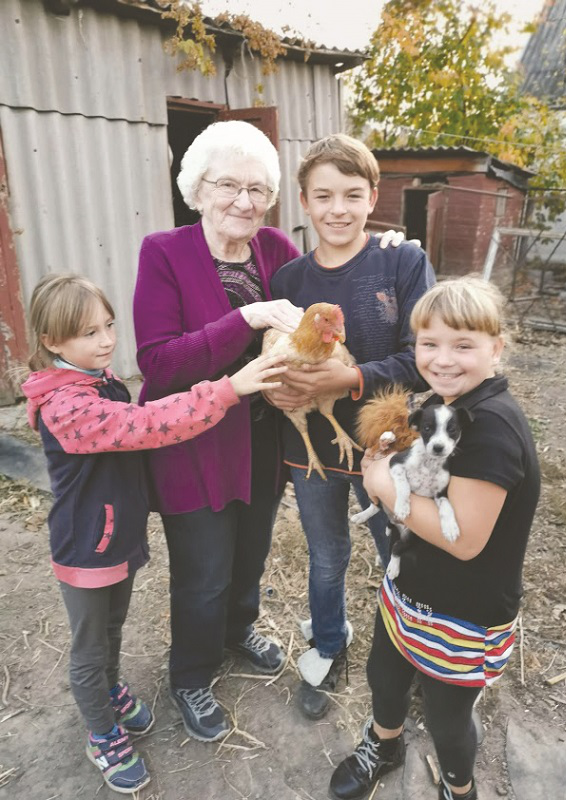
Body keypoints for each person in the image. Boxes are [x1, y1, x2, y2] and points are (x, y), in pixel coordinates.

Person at [133, 121, 407, 741]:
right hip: (194, 442)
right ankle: (192, 676)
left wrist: (388, 250)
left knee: (251, 553)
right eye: (227, 185)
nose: (244, 201)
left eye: (258, 188)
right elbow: (159, 362)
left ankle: (238, 630)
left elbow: (335, 268)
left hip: (260, 438)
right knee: (203, 569)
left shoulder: (276, 251)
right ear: (197, 189)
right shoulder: (164, 252)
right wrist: (246, 316)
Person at [21, 274, 287, 794]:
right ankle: (101, 733)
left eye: (109, 325)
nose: (105, 341)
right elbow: (149, 424)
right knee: (88, 648)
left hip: (112, 537)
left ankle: (112, 690)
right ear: (52, 343)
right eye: (87, 333)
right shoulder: (69, 406)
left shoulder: (96, 379)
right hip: (86, 547)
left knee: (113, 627)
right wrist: (230, 388)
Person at [328, 277, 541, 800]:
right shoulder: (445, 401)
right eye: (429, 343)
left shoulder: (489, 427)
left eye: (463, 345)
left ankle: (458, 786)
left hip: (464, 608)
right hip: (412, 588)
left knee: (448, 719)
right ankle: (385, 742)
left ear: (497, 347)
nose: (443, 359)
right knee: (385, 673)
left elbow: (465, 540)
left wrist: (378, 483)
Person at [267, 134, 436, 720]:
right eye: (323, 196)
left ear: (373, 198)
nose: (337, 209)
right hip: (307, 445)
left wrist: (343, 380)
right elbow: (274, 360)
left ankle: (413, 655)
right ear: (304, 202)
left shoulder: (401, 261)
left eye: (351, 194)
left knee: (401, 550)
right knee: (326, 553)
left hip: (386, 441)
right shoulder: (287, 279)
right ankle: (330, 644)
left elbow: (423, 357)